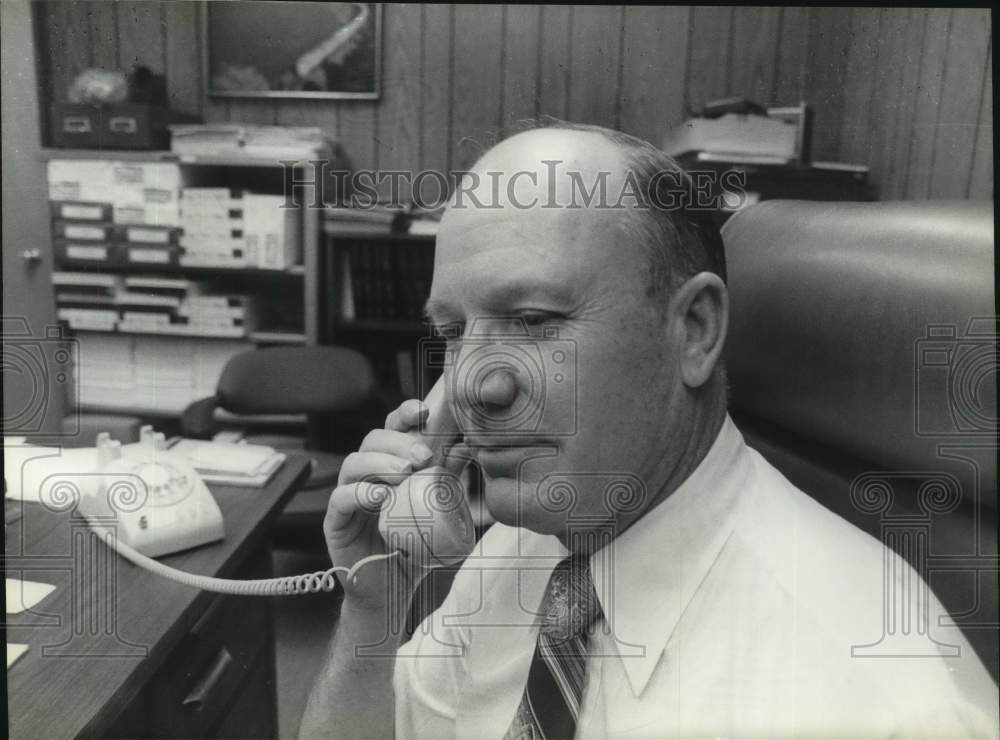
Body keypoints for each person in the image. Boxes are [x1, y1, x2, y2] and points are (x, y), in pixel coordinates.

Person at [300, 122, 998, 739]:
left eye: (535, 320)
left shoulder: (884, 703)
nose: (472, 387)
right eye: (454, 332)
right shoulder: (531, 541)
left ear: (693, 330)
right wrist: (375, 604)